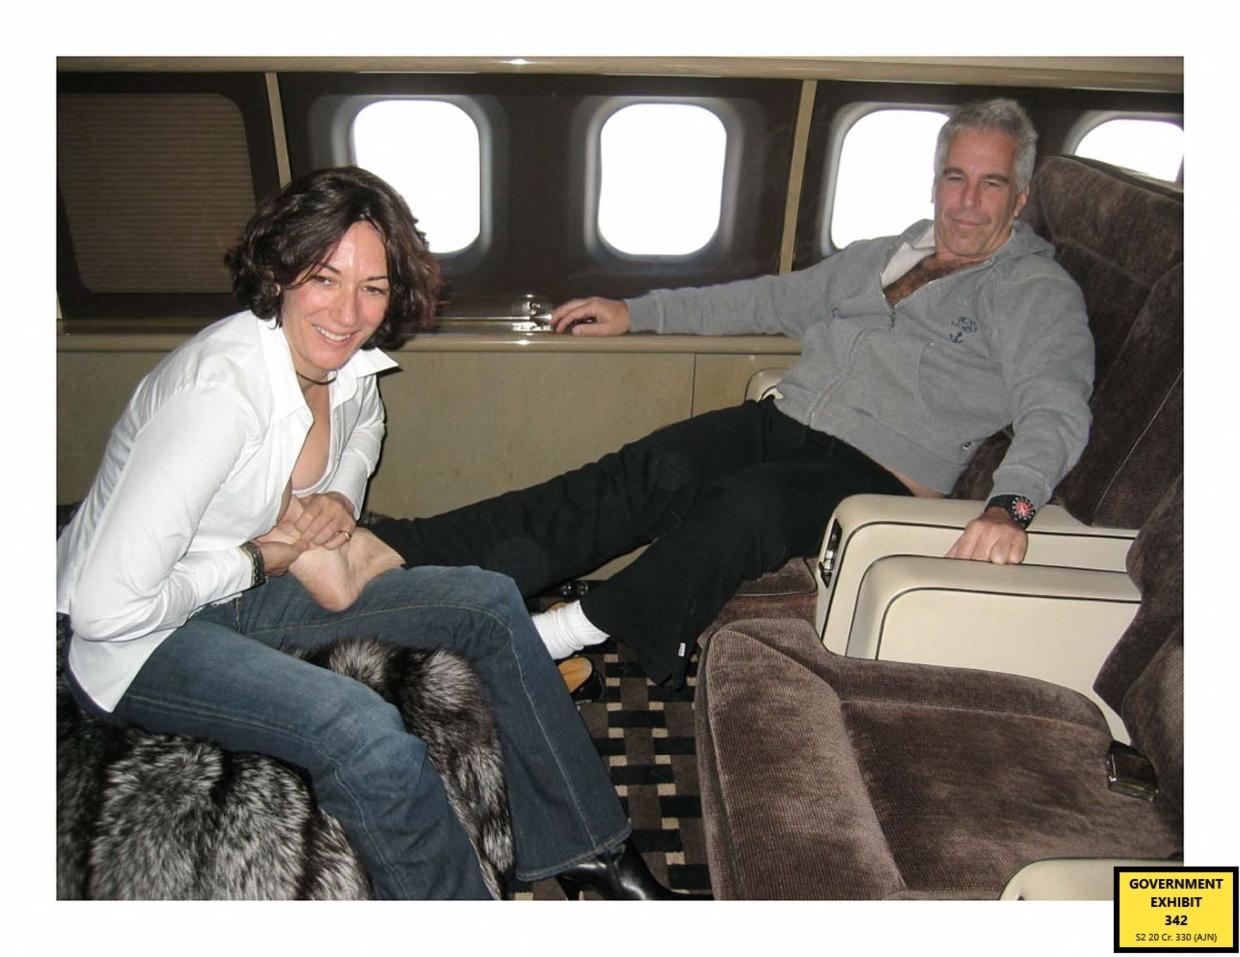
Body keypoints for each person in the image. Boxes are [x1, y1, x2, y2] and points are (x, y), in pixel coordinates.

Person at [56, 166, 689, 900]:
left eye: (373, 288)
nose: (348, 312)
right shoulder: (218, 398)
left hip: (242, 588)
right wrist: (256, 559)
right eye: (325, 278)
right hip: (138, 640)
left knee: (488, 602)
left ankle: (592, 851)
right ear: (279, 269)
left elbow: (365, 432)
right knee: (362, 731)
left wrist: (338, 498)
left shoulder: (346, 363)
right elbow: (105, 611)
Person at [319, 98, 1096, 691]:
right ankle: (397, 548)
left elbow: (1056, 406)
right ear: (935, 182)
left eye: (991, 183)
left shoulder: (1033, 291)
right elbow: (766, 299)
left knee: (744, 507)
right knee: (633, 474)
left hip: (878, 476)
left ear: (1020, 197)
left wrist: (1012, 505)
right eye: (955, 177)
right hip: (785, 422)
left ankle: (554, 636)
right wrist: (639, 314)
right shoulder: (884, 254)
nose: (967, 201)